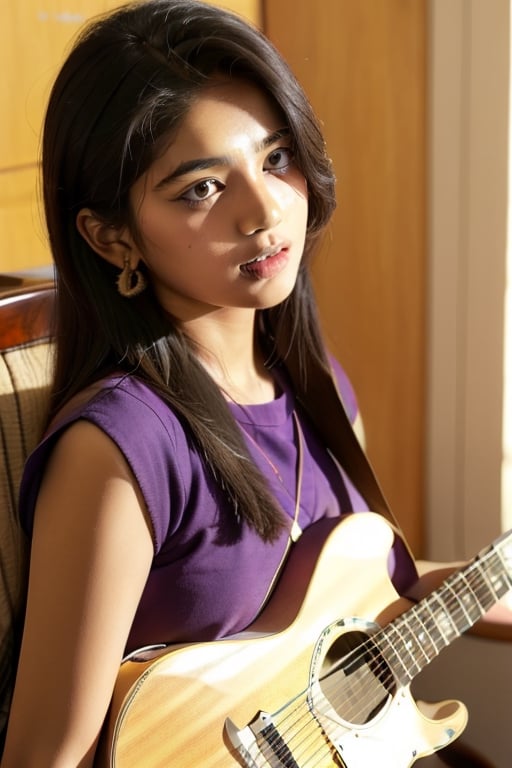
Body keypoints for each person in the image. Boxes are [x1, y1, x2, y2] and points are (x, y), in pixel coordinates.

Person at [1, 1, 510, 766]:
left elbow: (343, 603)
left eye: (275, 158)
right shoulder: (119, 452)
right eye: (201, 188)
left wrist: (485, 580)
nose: (265, 209)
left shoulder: (317, 388)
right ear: (111, 237)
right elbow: (46, 753)